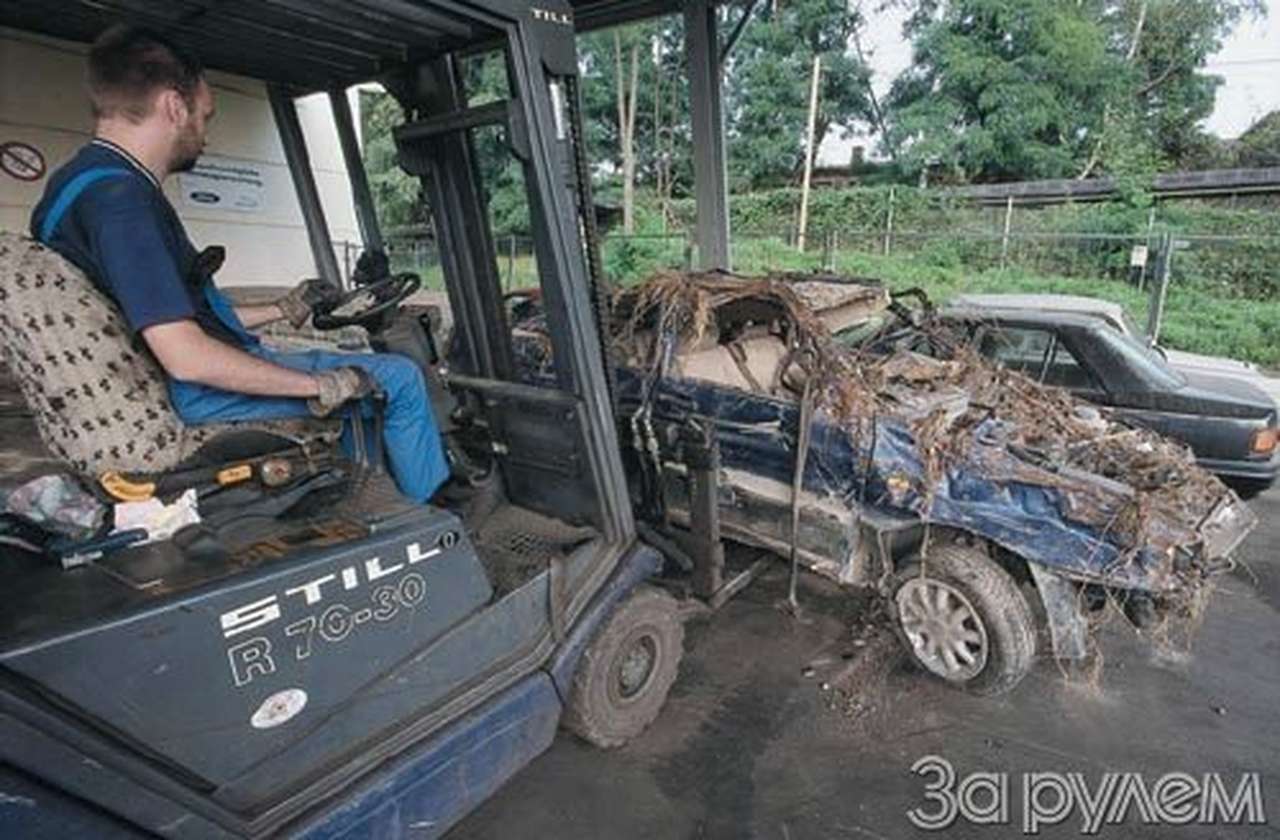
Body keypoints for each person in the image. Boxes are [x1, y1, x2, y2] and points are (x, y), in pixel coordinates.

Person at [29, 24, 448, 503]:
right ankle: (433, 517)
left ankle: (359, 497)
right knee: (399, 377)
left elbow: (169, 314)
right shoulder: (122, 204)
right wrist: (317, 383)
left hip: (170, 377)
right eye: (204, 117)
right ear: (173, 106)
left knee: (363, 382)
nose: (204, 134)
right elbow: (185, 355)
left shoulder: (77, 186)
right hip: (197, 391)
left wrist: (282, 308)